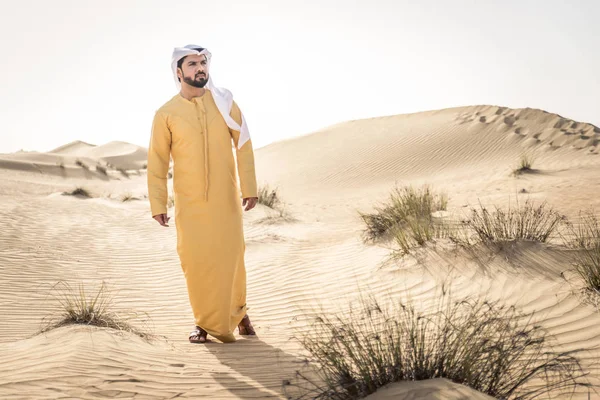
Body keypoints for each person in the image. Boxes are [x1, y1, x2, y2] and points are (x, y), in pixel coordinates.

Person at [147, 44, 258, 343]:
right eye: (193, 63)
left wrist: (250, 188)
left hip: (226, 199)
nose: (200, 68)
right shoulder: (166, 113)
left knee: (232, 256)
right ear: (179, 72)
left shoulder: (225, 103)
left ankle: (239, 312)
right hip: (190, 202)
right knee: (196, 261)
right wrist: (158, 203)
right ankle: (204, 322)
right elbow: (157, 161)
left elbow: (244, 144)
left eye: (203, 62)